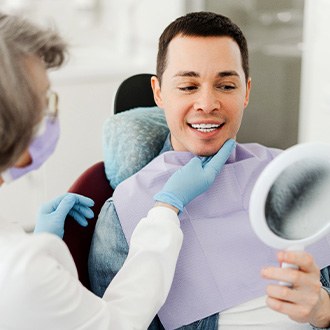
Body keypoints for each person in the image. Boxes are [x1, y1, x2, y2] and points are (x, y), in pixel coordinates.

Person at [88, 11, 330, 330]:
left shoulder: (293, 179)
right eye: (188, 86)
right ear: (159, 92)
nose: (207, 103)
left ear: (246, 91)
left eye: (226, 85)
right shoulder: (126, 211)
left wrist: (325, 312)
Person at [0, 12, 236, 329]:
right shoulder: (22, 267)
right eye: (43, 102)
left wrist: (44, 243)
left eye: (226, 84)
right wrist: (166, 208)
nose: (207, 102)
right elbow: (117, 323)